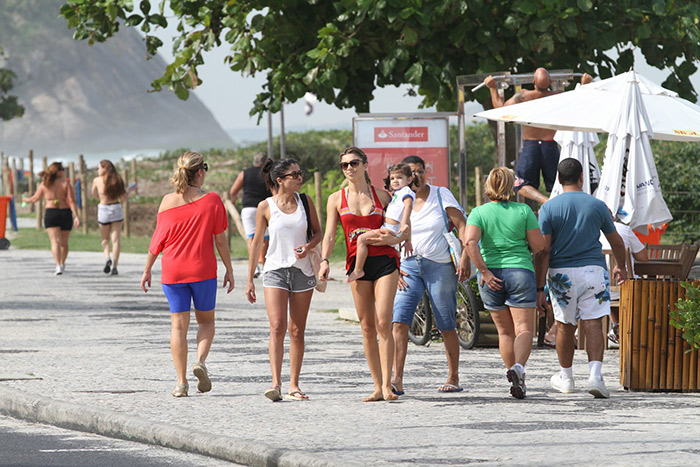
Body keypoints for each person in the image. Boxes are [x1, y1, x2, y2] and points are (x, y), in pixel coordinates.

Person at [140, 151, 234, 398]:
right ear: (200, 172)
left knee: (178, 327)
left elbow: (157, 239)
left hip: (173, 271)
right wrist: (229, 269)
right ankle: (200, 362)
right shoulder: (213, 200)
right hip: (202, 270)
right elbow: (221, 241)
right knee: (206, 321)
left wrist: (148, 268)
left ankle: (181, 382)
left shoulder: (166, 201)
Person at [318, 147, 407, 402]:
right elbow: (330, 235)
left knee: (382, 321)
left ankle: (389, 385)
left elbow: (400, 228)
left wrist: (398, 239)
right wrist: (324, 261)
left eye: (354, 163)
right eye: (344, 165)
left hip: (386, 262)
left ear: (365, 165)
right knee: (367, 327)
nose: (349, 168)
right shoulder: (336, 199)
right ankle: (378, 386)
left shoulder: (383, 197)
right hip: (356, 266)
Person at [535, 158, 627, 399]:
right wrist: (621, 267)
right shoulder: (597, 205)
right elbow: (617, 242)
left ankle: (566, 378)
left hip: (561, 273)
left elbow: (544, 250)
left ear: (558, 179)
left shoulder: (549, 208)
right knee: (594, 322)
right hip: (593, 271)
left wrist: (539, 286)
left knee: (565, 325)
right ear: (581, 177)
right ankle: (596, 376)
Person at [392, 155, 470, 395]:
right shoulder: (399, 200)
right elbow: (388, 233)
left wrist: (466, 257)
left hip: (439, 265)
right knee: (399, 320)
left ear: (426, 172)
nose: (416, 176)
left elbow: (463, 225)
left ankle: (453, 376)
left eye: (420, 171)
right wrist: (394, 267)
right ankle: (397, 379)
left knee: (445, 321)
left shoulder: (440, 193)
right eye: (411, 172)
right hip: (408, 266)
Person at [245, 158, 322, 402]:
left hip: (302, 271)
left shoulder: (305, 201)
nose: (300, 177)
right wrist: (249, 279)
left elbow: (318, 232)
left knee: (297, 330)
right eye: (294, 174)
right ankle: (275, 384)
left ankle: (294, 384)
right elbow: (257, 242)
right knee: (277, 326)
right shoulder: (265, 206)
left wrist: (308, 246)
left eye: (301, 173)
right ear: (280, 180)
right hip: (274, 269)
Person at [465, 167, 544, 399]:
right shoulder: (524, 211)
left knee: (505, 332)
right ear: (512, 186)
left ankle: (513, 374)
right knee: (525, 329)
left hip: (491, 276)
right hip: (520, 271)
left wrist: (484, 272)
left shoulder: (478, 212)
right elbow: (539, 246)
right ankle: (519, 369)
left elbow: (470, 242)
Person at [483, 69, 593, 205]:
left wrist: (493, 88)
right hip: (550, 146)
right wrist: (584, 85)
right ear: (551, 82)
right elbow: (580, 103)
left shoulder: (524, 96)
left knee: (519, 183)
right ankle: (555, 202)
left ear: (533, 82)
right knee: (561, 181)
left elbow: (501, 109)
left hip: (531, 146)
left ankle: (546, 201)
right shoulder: (558, 96)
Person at [347, 162, 415, 282]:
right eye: (392, 178)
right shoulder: (397, 194)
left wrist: (403, 224)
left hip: (390, 229)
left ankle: (358, 269)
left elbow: (408, 208)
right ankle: (393, 267)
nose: (395, 181)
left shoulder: (406, 191)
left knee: (362, 239)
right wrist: (408, 240)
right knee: (371, 243)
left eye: (399, 178)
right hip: (388, 228)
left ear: (409, 179)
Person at [22, 162, 80, 275]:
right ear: (58, 171)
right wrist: (76, 216)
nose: (64, 171)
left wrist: (26, 199)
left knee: (55, 242)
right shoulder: (65, 184)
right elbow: (72, 201)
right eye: (62, 169)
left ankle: (58, 265)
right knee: (64, 243)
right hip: (65, 213)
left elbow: (34, 199)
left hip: (51, 213)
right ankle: (62, 264)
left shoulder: (45, 184)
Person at [600, 220, 648, 344]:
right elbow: (643, 257)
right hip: (625, 285)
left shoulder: (587, 229)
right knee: (645, 284)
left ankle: (617, 325)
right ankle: (630, 328)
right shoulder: (622, 229)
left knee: (610, 292)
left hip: (598, 289)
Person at [230, 152, 272, 277]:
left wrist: (233, 201)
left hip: (249, 208)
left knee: (251, 238)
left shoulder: (244, 173)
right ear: (265, 163)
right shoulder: (268, 174)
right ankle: (264, 266)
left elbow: (233, 191)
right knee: (264, 239)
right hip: (265, 207)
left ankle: (255, 267)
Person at [91, 160, 126, 275]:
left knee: (105, 239)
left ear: (104, 169)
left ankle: (107, 258)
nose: (98, 170)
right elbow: (124, 198)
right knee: (116, 240)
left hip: (104, 209)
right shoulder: (118, 179)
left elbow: (94, 194)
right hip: (116, 208)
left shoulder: (97, 180)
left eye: (99, 168)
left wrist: (101, 198)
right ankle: (115, 267)